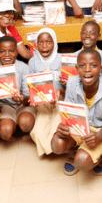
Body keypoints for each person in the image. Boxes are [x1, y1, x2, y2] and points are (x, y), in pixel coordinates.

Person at [51, 48, 102, 176]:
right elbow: (68, 113)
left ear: (101, 68)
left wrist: (100, 136)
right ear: (76, 69)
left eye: (93, 65)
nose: (87, 69)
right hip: (80, 128)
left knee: (82, 161)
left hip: (100, 132)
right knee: (56, 144)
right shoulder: (72, 83)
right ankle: (77, 148)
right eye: (82, 66)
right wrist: (63, 127)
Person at [0, 36, 36, 143]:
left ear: (17, 52)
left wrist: (22, 99)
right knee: (5, 133)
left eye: (11, 51)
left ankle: (21, 126)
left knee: (26, 123)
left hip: (23, 105)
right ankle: (12, 126)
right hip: (5, 106)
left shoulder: (23, 68)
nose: (7, 55)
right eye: (2, 51)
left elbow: (29, 99)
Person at [27, 28, 64, 156]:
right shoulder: (33, 62)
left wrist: (60, 91)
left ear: (55, 42)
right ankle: (49, 149)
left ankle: (54, 147)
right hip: (42, 103)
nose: (44, 46)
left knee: (55, 128)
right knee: (38, 132)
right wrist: (32, 97)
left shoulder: (62, 59)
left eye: (49, 42)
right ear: (36, 44)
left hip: (60, 102)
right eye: (40, 42)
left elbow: (70, 85)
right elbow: (30, 85)